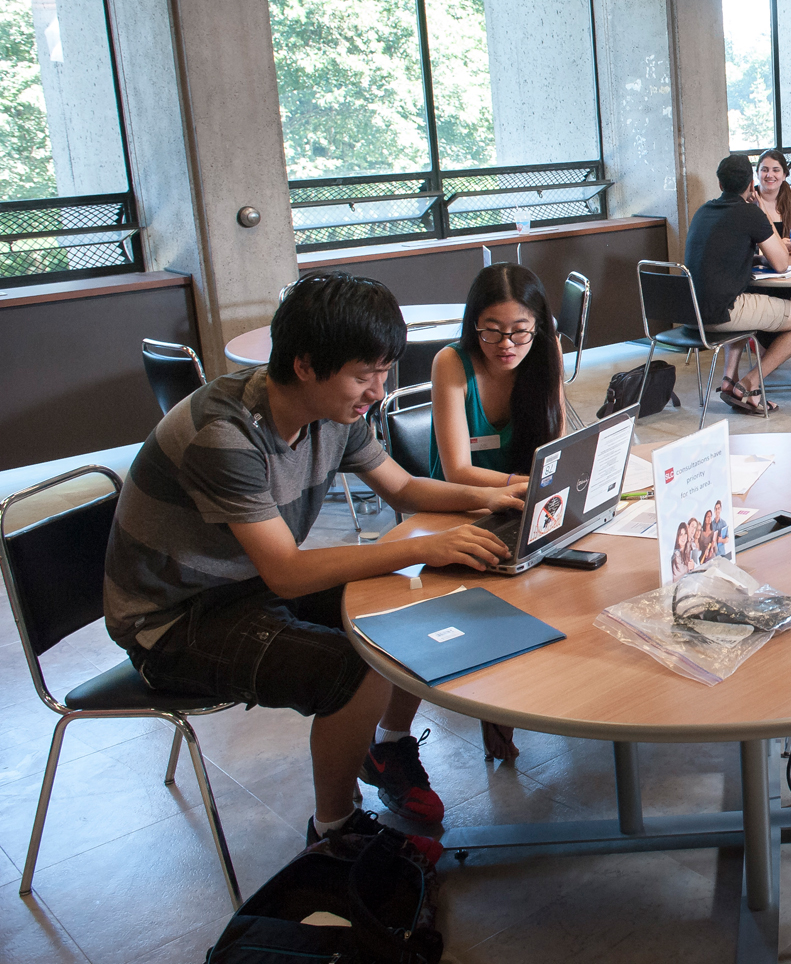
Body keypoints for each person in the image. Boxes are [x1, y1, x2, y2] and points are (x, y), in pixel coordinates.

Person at [104, 273, 528, 852]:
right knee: (351, 669)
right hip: (174, 619)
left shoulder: (333, 412)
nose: (377, 391)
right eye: (363, 374)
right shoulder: (223, 434)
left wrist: (496, 495)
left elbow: (403, 488)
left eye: (382, 372)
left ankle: (390, 747)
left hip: (246, 584)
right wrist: (418, 547)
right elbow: (285, 572)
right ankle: (334, 831)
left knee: (415, 604)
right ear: (305, 365)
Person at [684, 153, 791, 415]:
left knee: (743, 296)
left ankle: (728, 380)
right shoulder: (750, 213)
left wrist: (757, 256)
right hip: (722, 313)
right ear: (751, 182)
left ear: (720, 185)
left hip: (690, 313)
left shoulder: (703, 211)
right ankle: (748, 384)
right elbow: (782, 264)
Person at [429, 263, 564, 487]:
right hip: (461, 502)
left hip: (523, 499)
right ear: (474, 325)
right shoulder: (450, 363)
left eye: (520, 331)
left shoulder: (547, 352)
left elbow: (555, 446)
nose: (506, 344)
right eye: (492, 331)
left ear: (537, 327)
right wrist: (527, 485)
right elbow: (457, 472)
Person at [753, 149, 791, 235]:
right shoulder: (750, 198)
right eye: (764, 170)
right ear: (757, 174)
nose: (770, 175)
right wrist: (782, 244)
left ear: (784, 175)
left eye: (776, 170)